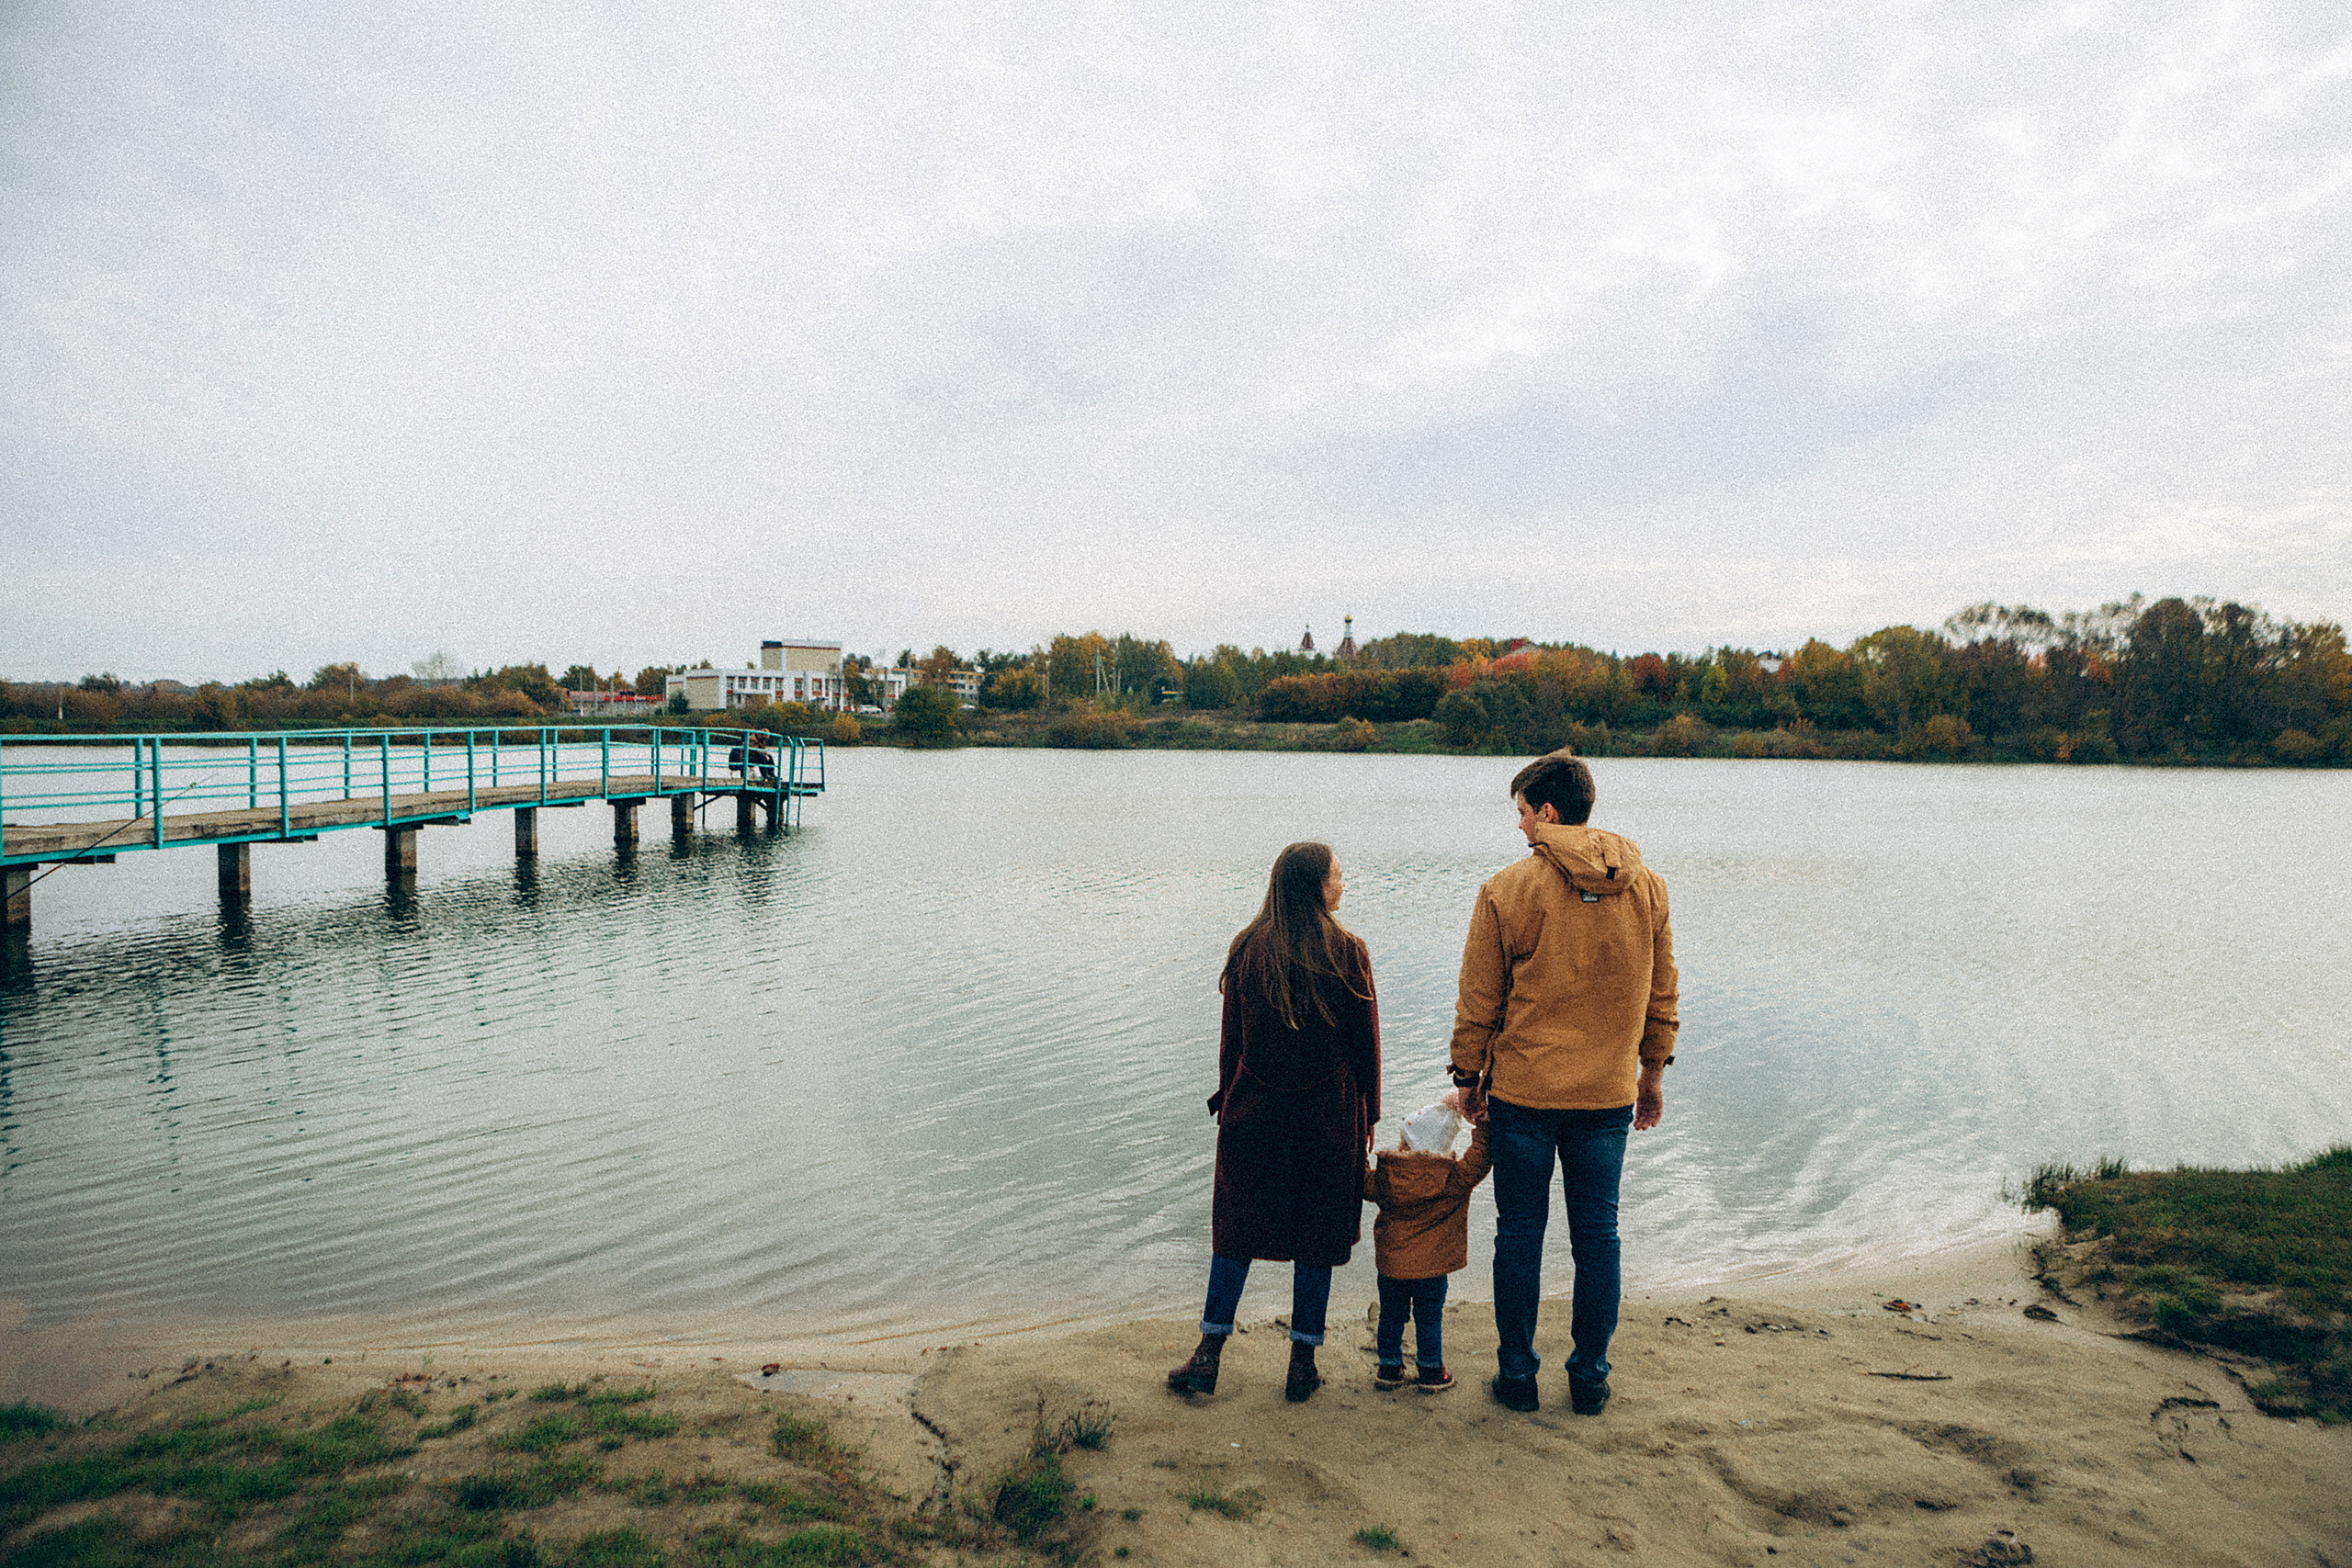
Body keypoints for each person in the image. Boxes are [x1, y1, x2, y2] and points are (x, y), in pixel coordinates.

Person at [1451, 750, 1678, 1416]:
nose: (1519, 826)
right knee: (1597, 1234)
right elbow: (1661, 992)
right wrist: (1652, 1071)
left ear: (1547, 812)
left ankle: (1518, 1376)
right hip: (1608, 1092)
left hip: (1525, 1092)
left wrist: (1468, 1075)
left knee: (1520, 1232)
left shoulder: (1506, 889)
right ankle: (1590, 1376)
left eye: (1522, 812)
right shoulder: (1649, 888)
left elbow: (1478, 999)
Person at [1168, 840, 1380, 1404]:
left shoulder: (1247, 948)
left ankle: (1208, 1355)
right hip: (1328, 1120)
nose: (1343, 884)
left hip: (1254, 1115)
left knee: (1235, 1231)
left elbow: (1230, 1044)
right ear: (1315, 886)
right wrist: (1370, 1117)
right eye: (1338, 875)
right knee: (1317, 1235)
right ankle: (1301, 1365)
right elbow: (1366, 1051)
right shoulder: (1348, 952)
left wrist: (1229, 1102)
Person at [1362, 1088, 1491, 1392]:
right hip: (1433, 1270)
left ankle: (1389, 1368)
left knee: (1391, 1316)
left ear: (1407, 1144)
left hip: (1392, 1267)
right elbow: (1480, 1158)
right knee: (1429, 1317)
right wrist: (1483, 1124)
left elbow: (1360, 1180)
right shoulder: (1453, 1179)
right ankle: (1432, 1371)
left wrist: (1356, 1139)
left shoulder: (1387, 1177)